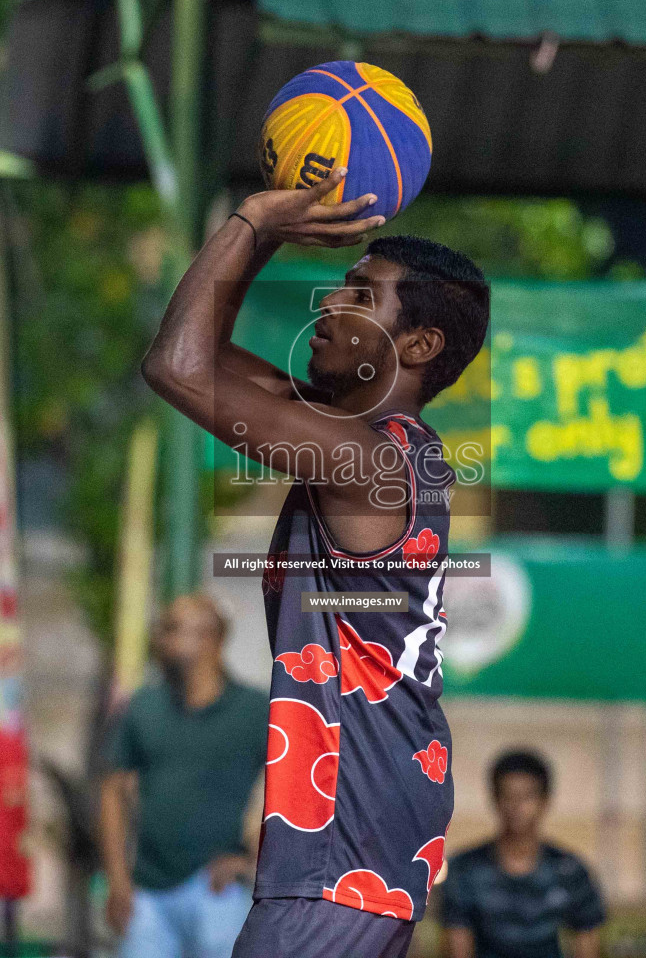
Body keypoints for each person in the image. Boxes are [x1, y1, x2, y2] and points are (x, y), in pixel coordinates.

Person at [143, 170, 488, 958]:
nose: (330, 305)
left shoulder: (362, 459)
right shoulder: (378, 447)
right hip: (373, 824)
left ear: (419, 346)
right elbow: (199, 352)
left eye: (361, 298)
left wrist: (258, 222)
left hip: (345, 834)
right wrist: (256, 238)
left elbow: (175, 368)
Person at [98, 595, 269, 958]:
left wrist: (253, 862)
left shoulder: (255, 711)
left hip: (218, 893)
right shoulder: (143, 707)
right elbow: (112, 791)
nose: (162, 638)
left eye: (174, 628)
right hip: (147, 894)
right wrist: (117, 878)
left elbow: (303, 790)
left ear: (213, 638)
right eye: (164, 629)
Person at [440, 750, 606, 958]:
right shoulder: (465, 869)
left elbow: (587, 942)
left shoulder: (570, 871)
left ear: (544, 801)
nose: (517, 806)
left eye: (527, 796)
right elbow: (457, 944)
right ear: (495, 798)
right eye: (508, 795)